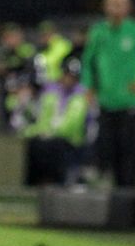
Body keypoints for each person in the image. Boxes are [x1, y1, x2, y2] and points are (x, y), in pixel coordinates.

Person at [81, 0, 135, 189]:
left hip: (129, 102)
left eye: (120, 3)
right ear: (105, 7)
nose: (116, 8)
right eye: (112, 3)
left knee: (129, 150)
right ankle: (110, 190)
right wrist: (89, 87)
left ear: (128, 7)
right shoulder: (98, 32)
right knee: (107, 149)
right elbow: (88, 62)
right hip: (105, 101)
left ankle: (128, 191)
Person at [22, 56, 88, 185]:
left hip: (71, 142)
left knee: (54, 146)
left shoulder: (80, 95)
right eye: (67, 75)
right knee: (35, 144)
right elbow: (43, 121)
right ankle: (34, 184)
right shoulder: (52, 94)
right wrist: (32, 133)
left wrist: (51, 133)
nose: (69, 79)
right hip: (52, 139)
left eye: (73, 77)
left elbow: (72, 126)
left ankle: (59, 181)